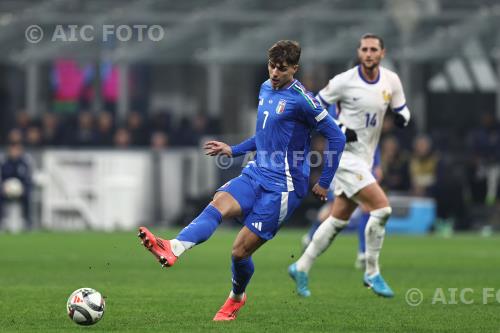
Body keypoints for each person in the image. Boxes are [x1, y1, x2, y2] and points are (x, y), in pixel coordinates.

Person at [137, 40, 346, 321]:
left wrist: (325, 180)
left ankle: (236, 297)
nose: (274, 72)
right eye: (271, 66)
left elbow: (337, 136)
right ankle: (174, 247)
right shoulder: (265, 88)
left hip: (283, 187)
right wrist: (233, 150)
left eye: (281, 69)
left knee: (239, 252)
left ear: (294, 68)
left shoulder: (304, 101)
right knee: (217, 204)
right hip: (256, 172)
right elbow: (263, 136)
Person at [289, 33, 411, 298]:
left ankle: (301, 266)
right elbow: (316, 104)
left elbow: (402, 109)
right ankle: (372, 271)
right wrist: (338, 129)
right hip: (343, 156)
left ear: (382, 53)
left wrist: (402, 118)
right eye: (364, 49)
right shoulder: (345, 81)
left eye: (373, 49)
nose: (368, 53)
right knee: (382, 209)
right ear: (359, 53)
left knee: (338, 219)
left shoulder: (391, 80)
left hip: (365, 158)